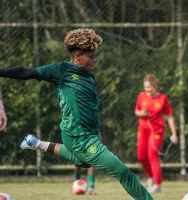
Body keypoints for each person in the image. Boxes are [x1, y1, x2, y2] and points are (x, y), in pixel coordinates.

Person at [0, 28, 154, 200]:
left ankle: (38, 144)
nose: (94, 60)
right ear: (78, 55)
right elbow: (27, 72)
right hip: (77, 137)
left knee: (83, 162)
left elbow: (92, 109)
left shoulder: (89, 77)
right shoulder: (61, 70)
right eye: (91, 57)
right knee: (122, 171)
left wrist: (98, 133)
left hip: (89, 137)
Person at [135, 74, 178, 194]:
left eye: (149, 88)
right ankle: (150, 177)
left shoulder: (163, 98)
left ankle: (157, 185)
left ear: (155, 86)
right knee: (141, 157)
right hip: (143, 129)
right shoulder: (141, 96)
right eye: (145, 88)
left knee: (152, 156)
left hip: (157, 131)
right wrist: (141, 113)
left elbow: (169, 116)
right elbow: (136, 111)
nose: (147, 90)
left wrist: (174, 134)